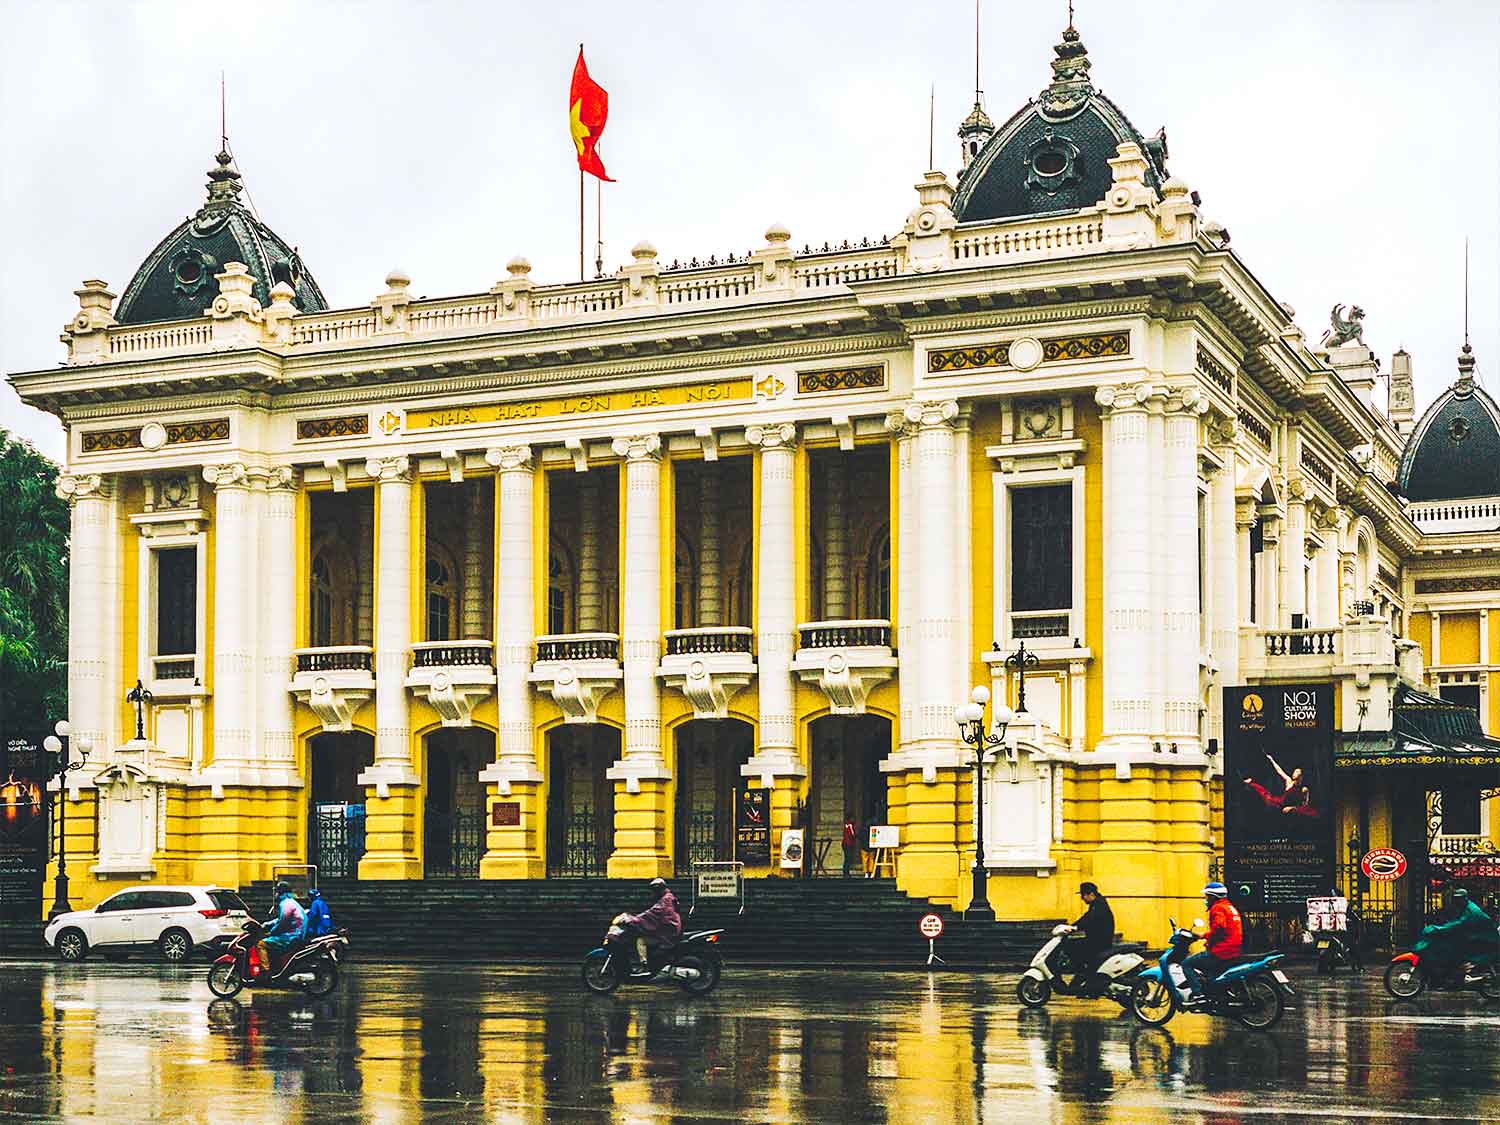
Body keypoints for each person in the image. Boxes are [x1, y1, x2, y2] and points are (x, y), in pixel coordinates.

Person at [1424, 887, 1499, 980]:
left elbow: (1460, 923)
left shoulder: (1470, 910)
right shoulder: (1466, 907)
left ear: (1464, 898)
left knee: (1455, 950)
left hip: (1483, 939)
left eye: (1459, 899)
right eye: (1456, 899)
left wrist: (1439, 928)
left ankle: (1460, 974)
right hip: (1476, 935)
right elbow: (1458, 921)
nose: (1457, 901)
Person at [1184, 882, 1243, 998]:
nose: (1206, 900)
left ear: (1213, 896)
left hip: (1222, 950)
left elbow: (1220, 927)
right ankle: (1214, 993)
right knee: (1210, 971)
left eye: (1207, 896)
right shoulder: (1229, 907)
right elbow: (1227, 931)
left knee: (1187, 963)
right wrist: (1210, 941)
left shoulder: (1217, 908)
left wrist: (1204, 935)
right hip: (1233, 948)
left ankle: (1198, 994)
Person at [624, 877, 681, 974]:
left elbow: (652, 913)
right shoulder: (668, 897)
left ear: (658, 889)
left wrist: (634, 919)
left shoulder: (665, 900)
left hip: (667, 933)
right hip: (668, 930)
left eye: (654, 890)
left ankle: (644, 966)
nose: (653, 893)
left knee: (641, 941)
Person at [1067, 882, 1116, 977]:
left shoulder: (1099, 905)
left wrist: (1076, 928)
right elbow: (1086, 917)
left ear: (1091, 894)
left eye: (1083, 895)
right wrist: (1071, 925)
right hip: (1096, 939)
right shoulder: (1096, 904)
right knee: (1073, 945)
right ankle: (1084, 974)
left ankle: (1083, 974)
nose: (1082, 898)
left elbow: (1091, 920)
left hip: (1100, 942)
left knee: (1071, 946)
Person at [261, 881, 307, 973]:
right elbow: (280, 919)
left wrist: (272, 932)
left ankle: (265, 971)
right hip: (296, 934)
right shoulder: (291, 902)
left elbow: (282, 923)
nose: (275, 894)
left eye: (277, 892)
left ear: (281, 892)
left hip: (291, 936)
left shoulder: (286, 904)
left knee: (260, 944)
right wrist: (268, 924)